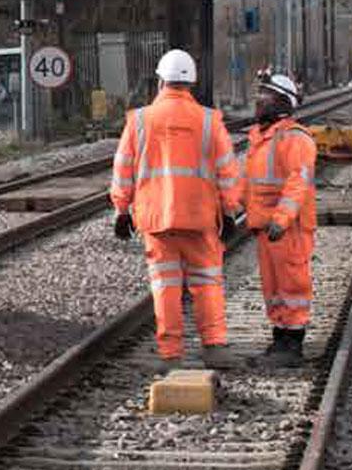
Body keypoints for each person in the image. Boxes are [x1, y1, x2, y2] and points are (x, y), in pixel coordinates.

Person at [110, 49, 240, 375]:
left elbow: (123, 169)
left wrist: (121, 210)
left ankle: (171, 354)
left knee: (165, 286)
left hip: (156, 220)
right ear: (191, 83)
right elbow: (228, 171)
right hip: (200, 218)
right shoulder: (209, 121)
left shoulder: (140, 120)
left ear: (159, 81)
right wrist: (229, 210)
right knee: (207, 282)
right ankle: (214, 347)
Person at [241, 69, 316, 366]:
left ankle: (292, 345)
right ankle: (280, 339)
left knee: (292, 284)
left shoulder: (295, 139)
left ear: (282, 102)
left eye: (266, 96)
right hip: (267, 227)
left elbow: (298, 183)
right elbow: (250, 183)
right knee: (273, 287)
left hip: (288, 228)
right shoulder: (261, 139)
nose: (259, 102)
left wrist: (282, 219)